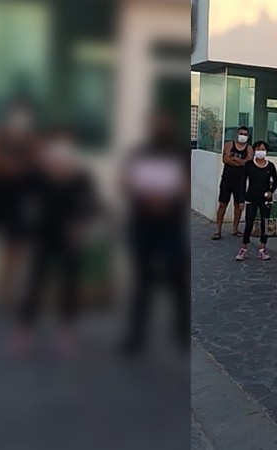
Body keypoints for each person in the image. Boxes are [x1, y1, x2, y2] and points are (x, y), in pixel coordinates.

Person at [10, 128, 97, 357]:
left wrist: (79, 225)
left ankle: (66, 332)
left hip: (69, 241)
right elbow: (23, 206)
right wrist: (28, 233)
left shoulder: (80, 178)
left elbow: (90, 207)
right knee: (35, 285)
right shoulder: (37, 178)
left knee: (69, 286)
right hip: (44, 238)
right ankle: (23, 332)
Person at [120, 112, 190, 356]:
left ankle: (181, 331)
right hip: (143, 225)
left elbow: (185, 185)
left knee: (176, 281)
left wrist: (166, 199)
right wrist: (148, 198)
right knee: (142, 283)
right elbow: (125, 182)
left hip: (170, 226)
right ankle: (136, 336)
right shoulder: (139, 154)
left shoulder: (179, 154)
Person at [0, 100, 38, 311]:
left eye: (24, 116)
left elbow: (34, 162)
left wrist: (10, 165)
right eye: (16, 114)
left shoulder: (31, 140)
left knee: (13, 249)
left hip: (17, 201)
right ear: (8, 115)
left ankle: (5, 293)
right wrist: (11, 166)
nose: (20, 119)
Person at [235, 141, 277, 261]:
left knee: (265, 224)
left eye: (263, 149)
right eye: (259, 149)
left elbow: (276, 181)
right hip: (251, 198)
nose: (261, 151)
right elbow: (243, 182)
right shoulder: (249, 165)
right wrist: (241, 199)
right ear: (255, 150)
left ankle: (262, 249)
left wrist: (271, 191)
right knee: (249, 224)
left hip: (265, 199)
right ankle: (243, 248)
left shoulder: (270, 166)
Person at [213, 127, 252, 239]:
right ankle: (218, 229)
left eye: (245, 134)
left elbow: (248, 163)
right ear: (237, 134)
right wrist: (240, 162)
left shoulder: (249, 148)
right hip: (227, 179)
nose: (243, 135)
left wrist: (234, 159)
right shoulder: (229, 145)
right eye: (241, 133)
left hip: (240, 181)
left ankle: (235, 229)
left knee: (238, 205)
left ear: (248, 136)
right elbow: (225, 159)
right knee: (222, 204)